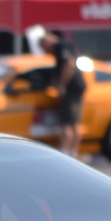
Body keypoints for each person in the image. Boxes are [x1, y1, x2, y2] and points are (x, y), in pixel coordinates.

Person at [40, 30, 87, 158]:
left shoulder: (61, 46)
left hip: (72, 89)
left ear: (47, 42)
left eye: (45, 48)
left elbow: (70, 64)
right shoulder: (64, 45)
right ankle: (72, 153)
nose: (47, 51)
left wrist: (62, 85)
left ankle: (66, 154)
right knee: (73, 122)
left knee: (68, 123)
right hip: (76, 87)